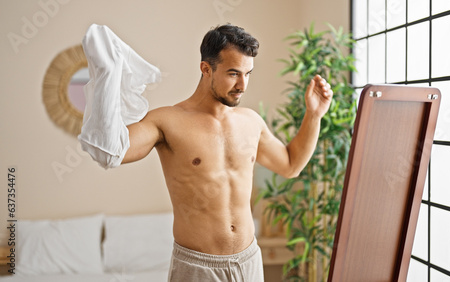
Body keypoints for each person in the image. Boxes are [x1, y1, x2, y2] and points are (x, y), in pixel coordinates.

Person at [122, 24, 333, 281]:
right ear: (206, 69)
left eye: (248, 74)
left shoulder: (251, 121)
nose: (242, 85)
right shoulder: (167, 120)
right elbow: (116, 151)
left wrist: (314, 115)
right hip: (198, 266)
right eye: (233, 73)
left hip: (249, 260)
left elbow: (291, 165)